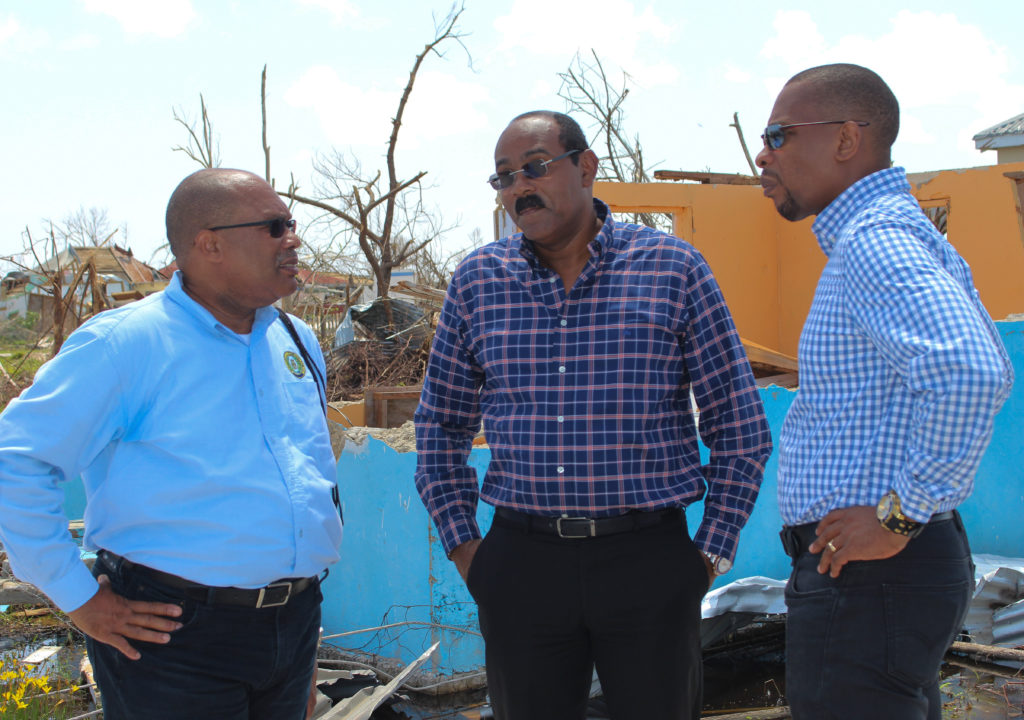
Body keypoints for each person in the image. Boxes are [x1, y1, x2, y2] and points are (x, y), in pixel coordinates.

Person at [414, 110, 772, 720]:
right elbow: (440, 428)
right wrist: (468, 552)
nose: (519, 187)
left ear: (585, 167)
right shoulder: (478, 281)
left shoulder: (673, 268)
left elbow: (738, 427)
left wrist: (708, 555)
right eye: (504, 177)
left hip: (647, 561)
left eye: (535, 167)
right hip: (521, 565)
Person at [0, 168, 343, 720]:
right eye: (275, 227)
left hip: (292, 623)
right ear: (210, 245)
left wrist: (295, 649)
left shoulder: (294, 339)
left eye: (292, 225)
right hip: (172, 638)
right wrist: (79, 598)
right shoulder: (125, 344)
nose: (292, 240)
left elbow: (305, 473)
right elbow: (17, 461)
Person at [757, 64, 1014, 719]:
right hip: (880, 578)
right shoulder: (888, 232)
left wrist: (900, 515)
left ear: (847, 139)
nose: (763, 155)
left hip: (871, 577)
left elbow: (971, 371)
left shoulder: (874, 240)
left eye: (779, 135)